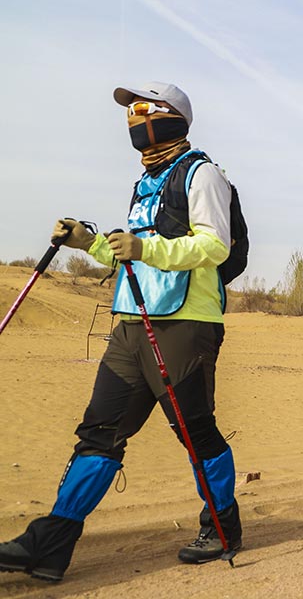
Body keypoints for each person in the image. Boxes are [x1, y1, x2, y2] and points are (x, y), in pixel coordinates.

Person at [0, 82, 243, 582]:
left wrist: (145, 249)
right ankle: (51, 543)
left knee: (195, 432)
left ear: (174, 116)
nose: (135, 117)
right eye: (130, 111)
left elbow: (215, 247)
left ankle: (222, 528)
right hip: (132, 324)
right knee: (99, 432)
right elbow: (129, 254)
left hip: (184, 324)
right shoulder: (146, 183)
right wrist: (87, 241)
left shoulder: (203, 175)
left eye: (144, 108)